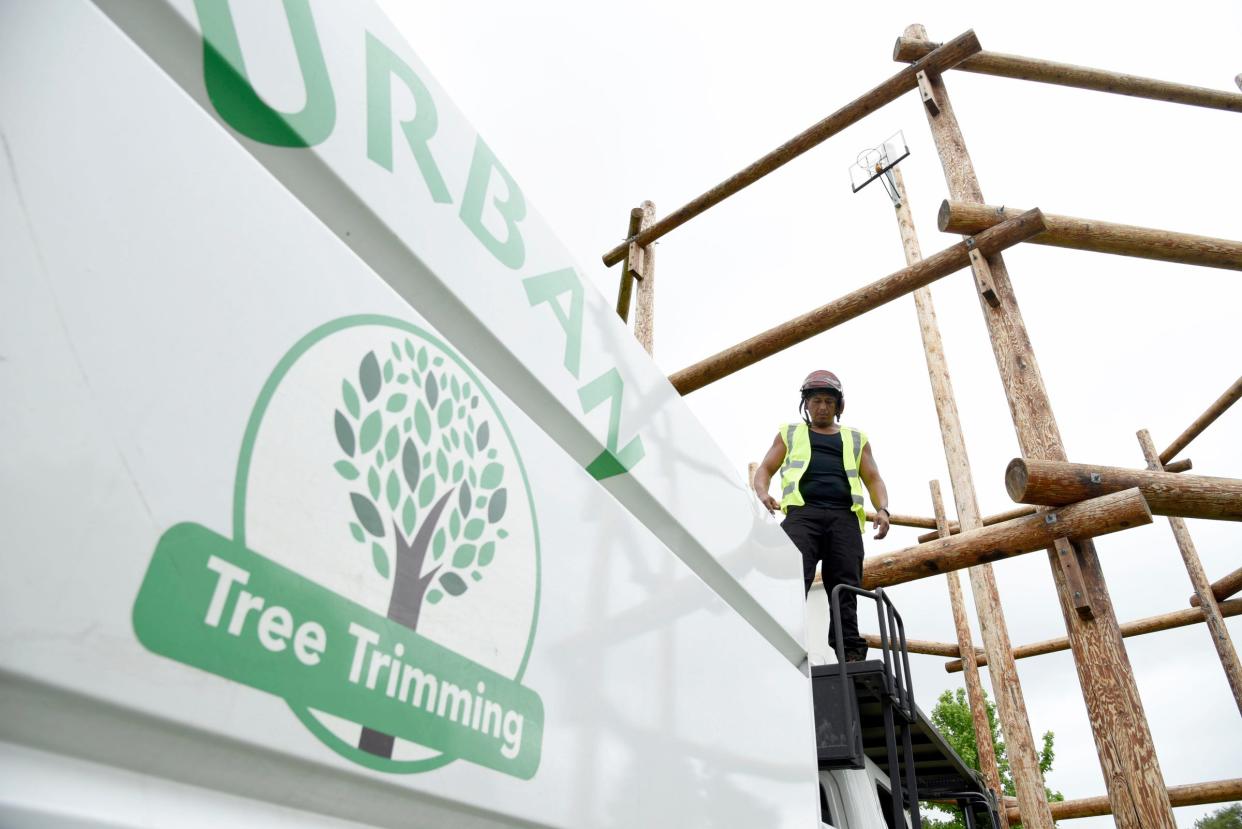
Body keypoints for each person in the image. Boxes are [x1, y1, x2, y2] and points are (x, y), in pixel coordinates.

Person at [753, 370, 890, 662]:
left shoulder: (855, 439)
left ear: (839, 406)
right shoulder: (789, 433)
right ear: (806, 404)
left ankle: (850, 654)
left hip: (845, 519)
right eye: (816, 401)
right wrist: (763, 493)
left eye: (829, 401)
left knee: (845, 586)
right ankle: (781, 640)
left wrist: (883, 509)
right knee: (792, 578)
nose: (823, 407)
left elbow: (874, 478)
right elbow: (765, 469)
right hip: (803, 516)